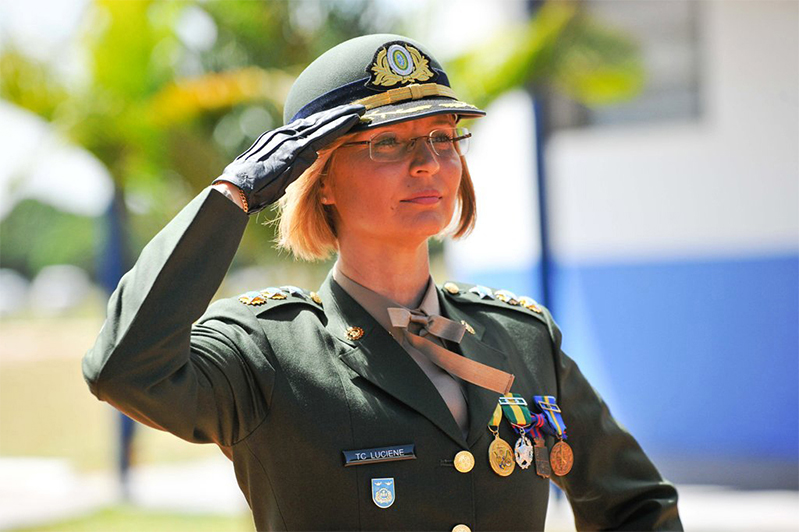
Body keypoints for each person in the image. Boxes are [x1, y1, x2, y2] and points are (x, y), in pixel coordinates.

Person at [83, 34, 682, 531]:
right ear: (321, 179)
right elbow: (124, 369)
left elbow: (637, 506)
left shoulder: (519, 337)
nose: (427, 162)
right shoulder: (266, 350)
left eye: (443, 137)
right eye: (387, 142)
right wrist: (233, 194)